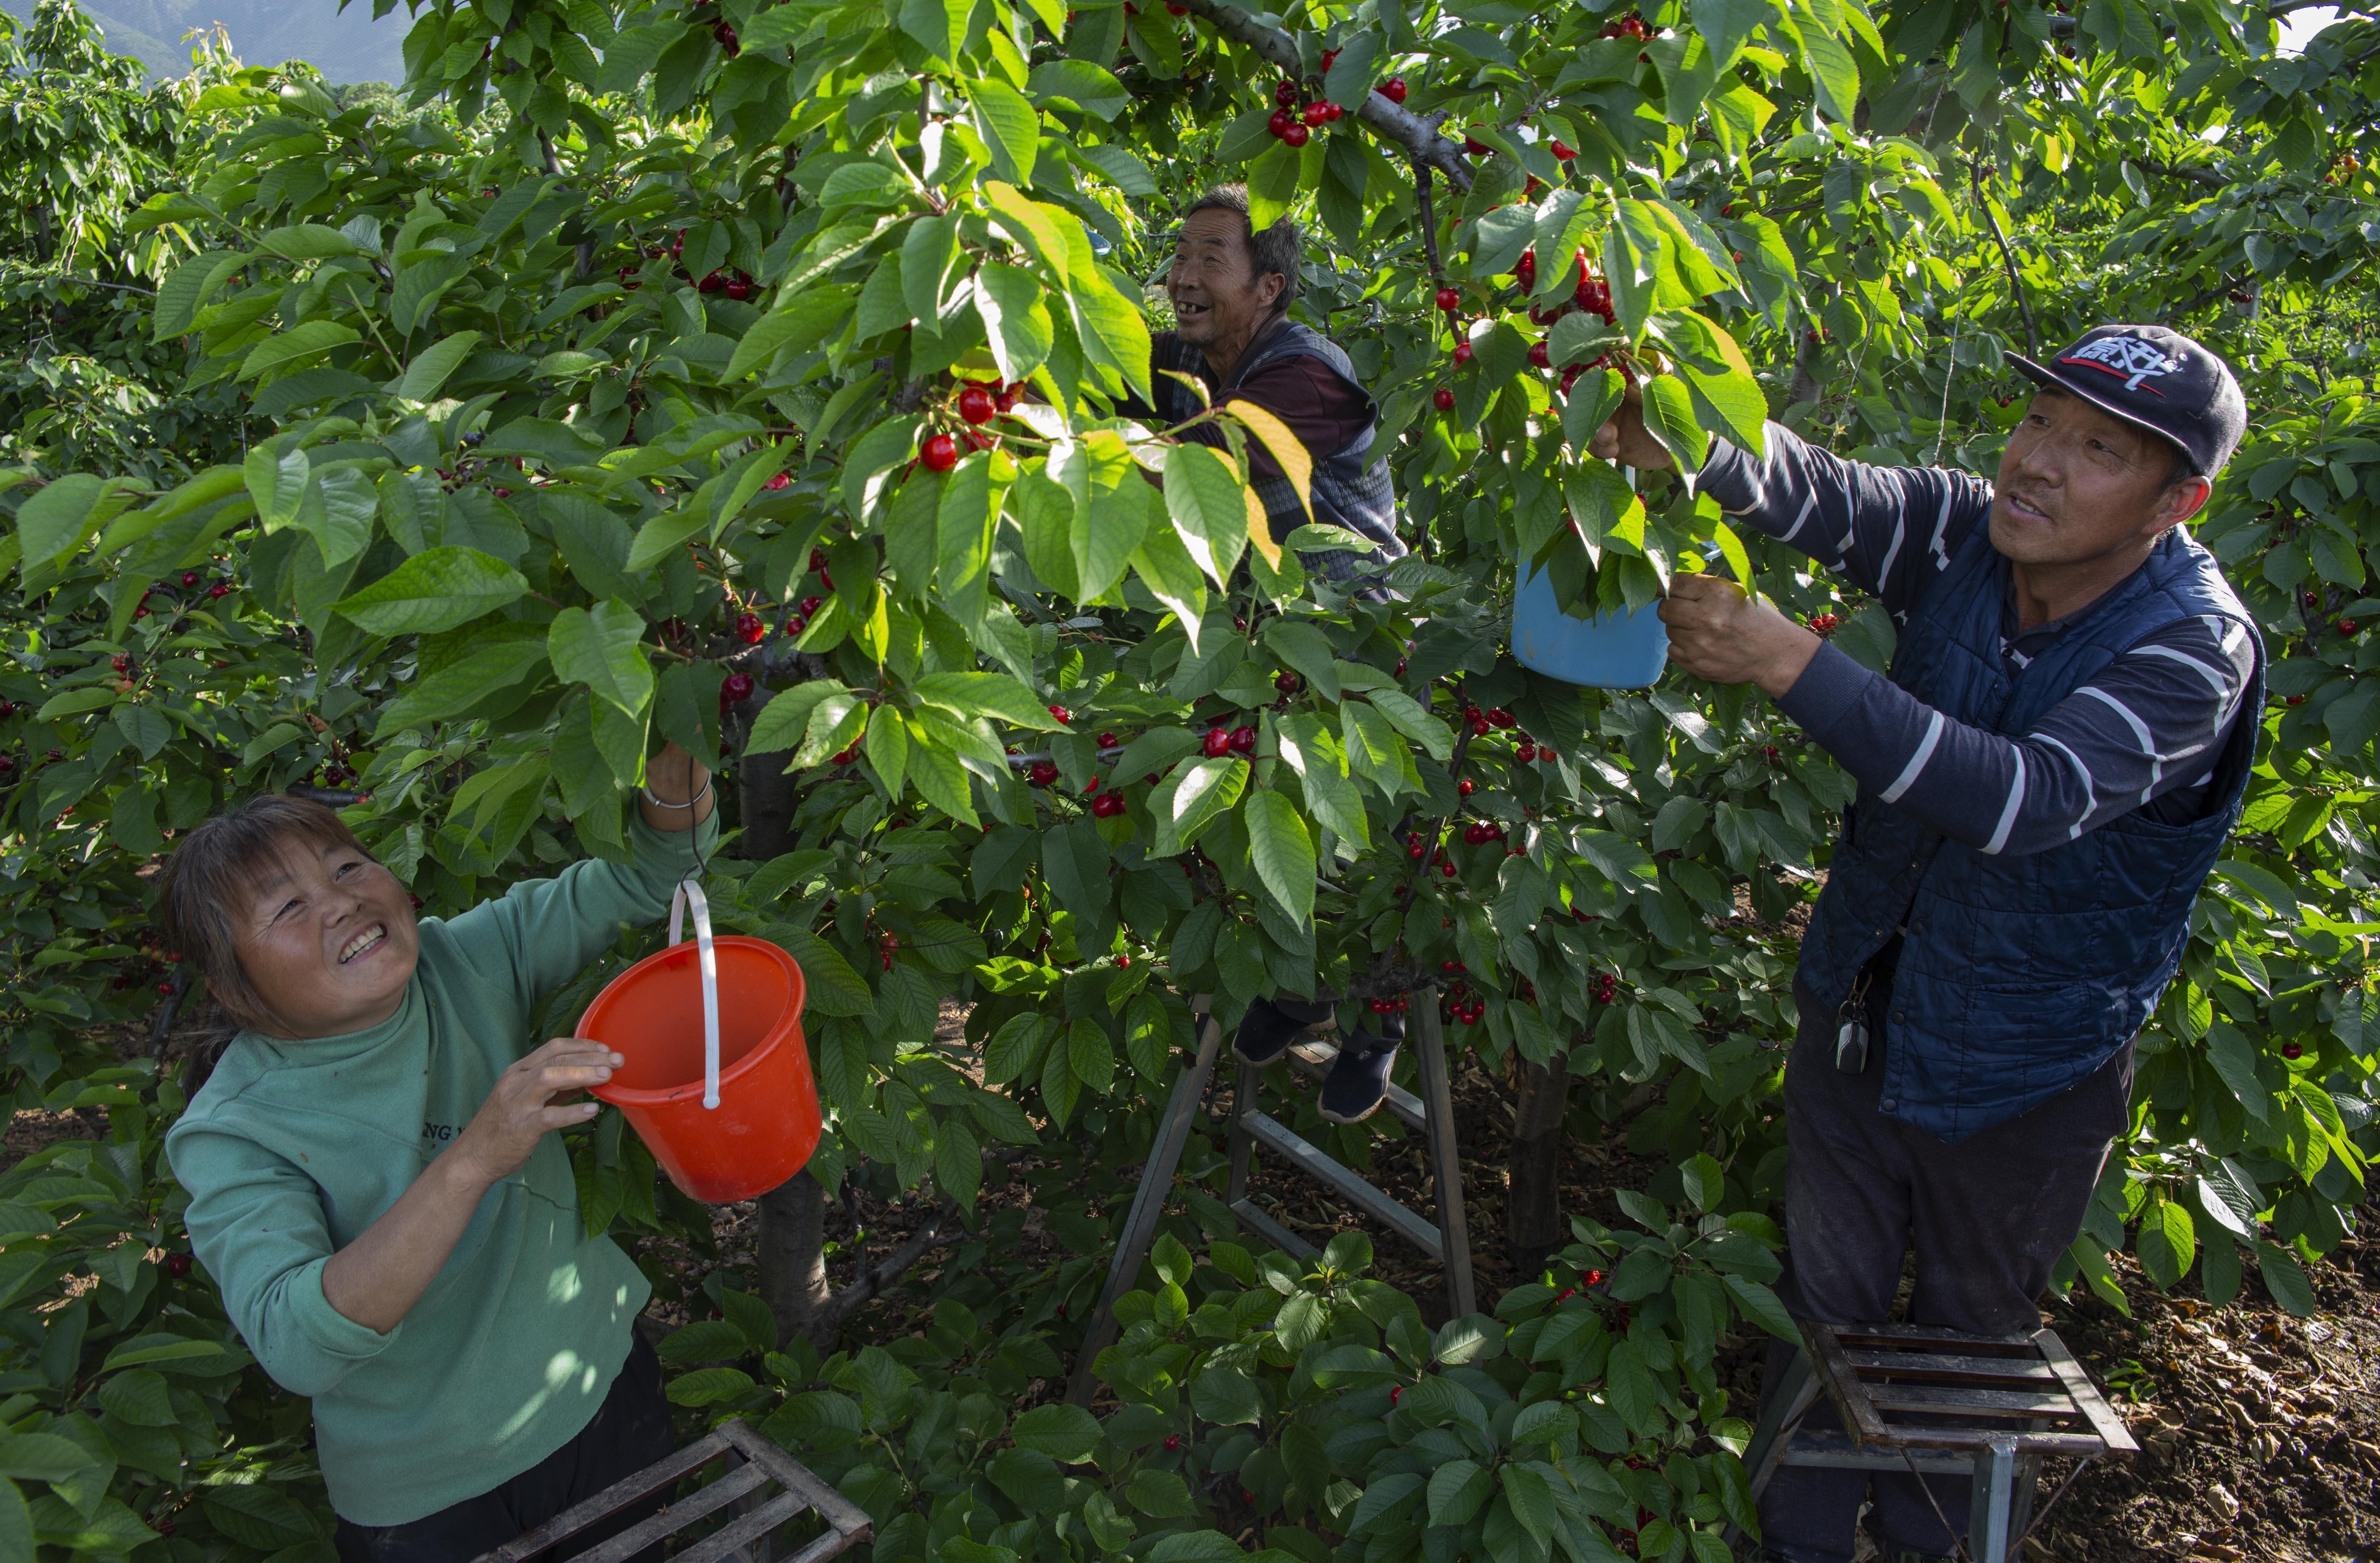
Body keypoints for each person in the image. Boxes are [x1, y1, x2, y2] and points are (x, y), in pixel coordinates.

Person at [1596, 324, 2260, 1563]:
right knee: (1820, 1312)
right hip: (1862, 1010)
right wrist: (1678, 432)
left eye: (2098, 450)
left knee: (1965, 1349)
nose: (2040, 464)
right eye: (2038, 426)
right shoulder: (1962, 534)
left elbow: (2016, 800)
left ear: (2179, 502)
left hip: (2024, 1073)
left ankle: (1925, 1545)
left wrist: (1790, 659)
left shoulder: (2190, 649)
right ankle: (1787, 1545)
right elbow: (1820, 492)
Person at [162, 746, 719, 1561]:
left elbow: (655, 871)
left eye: (347, 867)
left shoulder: (467, 961)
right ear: (230, 983)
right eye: (286, 908)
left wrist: (670, 743)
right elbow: (298, 1342)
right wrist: (474, 1156)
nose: (341, 905)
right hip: (432, 1500)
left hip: (599, 1392)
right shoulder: (235, 1132)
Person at [1120, 182, 1410, 1124]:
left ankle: (1377, 1029)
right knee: (1270, 828)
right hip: (1267, 644)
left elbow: (1200, 459)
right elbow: (1096, 365)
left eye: (1213, 257)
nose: (1185, 276)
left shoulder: (1307, 374)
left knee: (1357, 843)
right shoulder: (1193, 359)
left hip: (1357, 651)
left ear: (1270, 287)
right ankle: (1298, 992)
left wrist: (1082, 449)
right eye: (1182, 255)